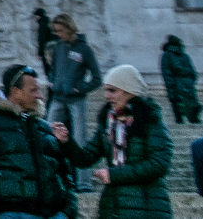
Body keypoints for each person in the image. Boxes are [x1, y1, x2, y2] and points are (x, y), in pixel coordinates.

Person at [55, 64, 174, 219]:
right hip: (114, 207)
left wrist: (114, 175)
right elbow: (86, 158)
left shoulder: (150, 121)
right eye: (106, 90)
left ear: (129, 91)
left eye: (112, 90)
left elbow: (159, 163)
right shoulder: (108, 123)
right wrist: (66, 141)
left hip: (148, 207)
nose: (106, 96)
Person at [0, 64, 75, 219]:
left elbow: (64, 172)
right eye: (33, 90)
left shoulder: (44, 127)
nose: (40, 96)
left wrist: (68, 212)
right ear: (15, 92)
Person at [44, 13, 100, 189]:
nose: (58, 34)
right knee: (47, 133)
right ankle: (49, 178)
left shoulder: (85, 49)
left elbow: (97, 78)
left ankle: (84, 183)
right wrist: (53, 81)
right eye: (56, 31)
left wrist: (80, 87)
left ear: (69, 28)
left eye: (60, 30)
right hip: (58, 98)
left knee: (79, 138)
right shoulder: (58, 46)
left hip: (76, 100)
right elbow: (54, 68)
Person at [160, 36, 200, 125]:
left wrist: (170, 85)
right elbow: (192, 71)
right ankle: (190, 119)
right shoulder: (178, 55)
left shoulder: (169, 55)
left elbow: (166, 72)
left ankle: (182, 119)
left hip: (179, 82)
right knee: (184, 101)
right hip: (183, 82)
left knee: (179, 101)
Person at [36, 6, 57, 76]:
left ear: (38, 16)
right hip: (53, 48)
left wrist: (40, 53)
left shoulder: (42, 25)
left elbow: (41, 40)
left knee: (47, 68)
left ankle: (51, 84)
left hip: (46, 49)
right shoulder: (49, 23)